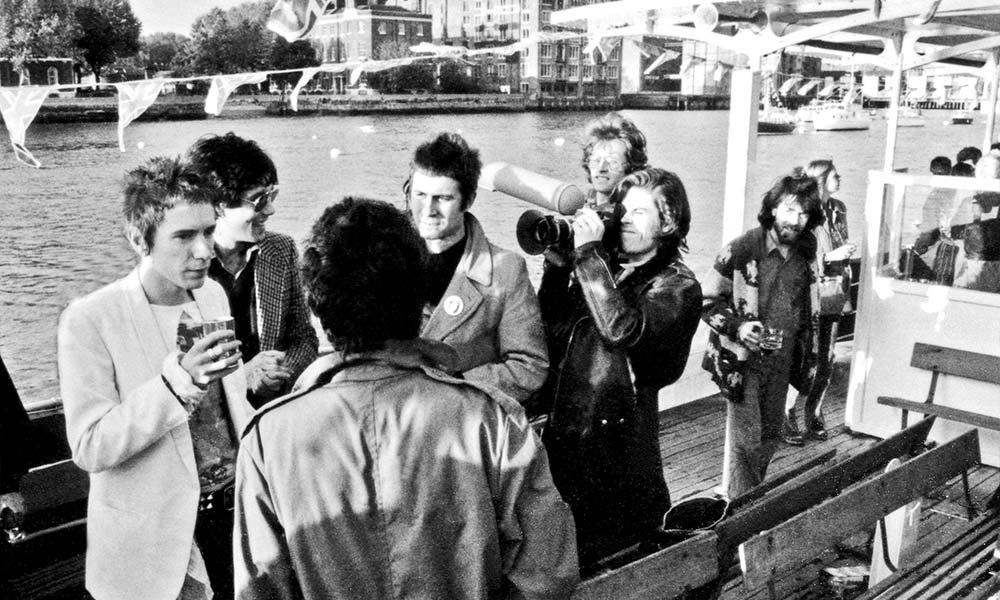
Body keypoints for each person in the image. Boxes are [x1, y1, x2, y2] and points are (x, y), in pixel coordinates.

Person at [234, 197, 579, 599]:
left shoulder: (267, 437)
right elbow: (547, 575)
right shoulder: (490, 419)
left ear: (317, 305)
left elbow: (260, 588)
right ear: (419, 300)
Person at [58, 156, 253, 600]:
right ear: (137, 239)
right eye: (183, 236)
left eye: (207, 231)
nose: (204, 251)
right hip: (154, 546)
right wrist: (176, 385)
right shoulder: (90, 319)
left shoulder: (213, 294)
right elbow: (89, 446)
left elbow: (232, 412)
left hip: (234, 521)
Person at [537, 167, 703, 569]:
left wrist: (590, 255)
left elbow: (620, 329)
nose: (625, 218)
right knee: (562, 556)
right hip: (568, 436)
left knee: (619, 555)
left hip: (621, 448)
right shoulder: (607, 270)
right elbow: (550, 329)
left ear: (669, 223)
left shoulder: (677, 286)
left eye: (641, 212)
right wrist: (560, 270)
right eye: (623, 209)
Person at [702, 171, 824, 499]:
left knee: (770, 437)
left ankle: (741, 498)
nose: (795, 220)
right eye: (788, 210)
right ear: (772, 209)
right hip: (743, 359)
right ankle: (745, 516)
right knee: (747, 441)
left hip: (780, 357)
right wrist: (739, 327)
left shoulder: (807, 254)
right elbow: (706, 301)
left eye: (803, 213)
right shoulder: (741, 249)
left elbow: (807, 310)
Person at [404, 132, 547, 403]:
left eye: (442, 198)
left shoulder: (506, 271)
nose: (428, 209)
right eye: (420, 194)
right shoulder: (383, 261)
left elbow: (529, 368)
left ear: (468, 200)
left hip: (463, 423)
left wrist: (451, 388)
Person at [186, 133, 318, 408]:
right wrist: (241, 377)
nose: (270, 209)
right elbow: (175, 367)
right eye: (259, 200)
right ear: (218, 205)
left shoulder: (281, 250)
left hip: (271, 411)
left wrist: (277, 374)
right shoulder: (185, 268)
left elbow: (304, 337)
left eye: (272, 195)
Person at [782, 160, 855, 444]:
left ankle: (814, 413)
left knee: (827, 358)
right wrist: (830, 257)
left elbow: (839, 243)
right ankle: (786, 414)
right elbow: (796, 255)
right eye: (836, 175)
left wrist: (841, 255)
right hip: (809, 293)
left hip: (834, 292)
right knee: (802, 357)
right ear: (822, 179)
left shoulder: (839, 209)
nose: (841, 178)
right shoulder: (804, 212)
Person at [580, 112, 649, 207]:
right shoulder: (584, 203)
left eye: (613, 162)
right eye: (596, 161)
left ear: (632, 167)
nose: (601, 168)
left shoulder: (635, 213)